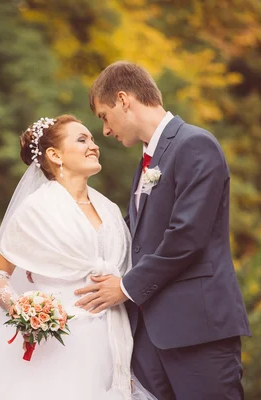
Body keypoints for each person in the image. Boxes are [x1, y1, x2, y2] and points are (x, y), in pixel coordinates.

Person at [0, 115, 155, 400]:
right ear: (55, 155)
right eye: (82, 140)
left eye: (92, 139)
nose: (94, 145)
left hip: (112, 341)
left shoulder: (109, 208)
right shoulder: (36, 209)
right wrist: (22, 309)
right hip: (58, 345)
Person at [75, 61, 252, 399]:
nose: (106, 131)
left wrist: (125, 287)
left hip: (197, 330)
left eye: (103, 116)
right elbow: (132, 239)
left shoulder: (195, 144)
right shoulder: (147, 161)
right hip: (148, 338)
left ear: (124, 100)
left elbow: (187, 237)